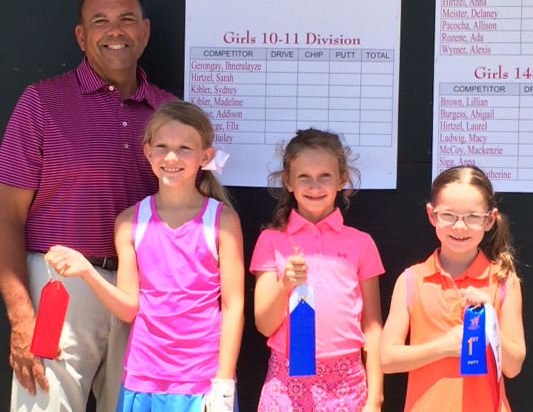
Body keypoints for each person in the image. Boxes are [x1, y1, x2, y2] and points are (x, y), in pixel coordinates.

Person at [0, 0, 175, 412]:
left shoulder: (169, 113)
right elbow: (7, 215)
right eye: (100, 21)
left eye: (126, 19)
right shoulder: (41, 103)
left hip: (145, 293)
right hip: (60, 288)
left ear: (146, 30)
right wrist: (22, 314)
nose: (115, 30)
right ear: (81, 35)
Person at [46, 100, 244, 412]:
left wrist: (223, 380)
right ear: (147, 152)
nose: (171, 157)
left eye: (184, 148)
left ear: (205, 156)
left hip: (202, 382)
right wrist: (86, 271)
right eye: (162, 146)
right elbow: (128, 308)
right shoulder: (129, 222)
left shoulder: (222, 220)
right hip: (141, 380)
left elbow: (233, 306)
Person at [250, 128, 384, 411]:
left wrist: (376, 397)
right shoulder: (271, 241)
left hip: (348, 383)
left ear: (341, 180)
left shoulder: (362, 243)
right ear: (288, 181)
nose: (315, 186)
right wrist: (283, 285)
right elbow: (263, 325)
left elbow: (372, 327)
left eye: (325, 176)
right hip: (286, 382)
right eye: (304, 177)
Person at [380, 166, 526, 412]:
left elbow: (513, 367)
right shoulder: (411, 279)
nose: (460, 227)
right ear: (432, 215)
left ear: (489, 219)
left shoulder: (503, 281)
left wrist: (489, 319)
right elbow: (387, 359)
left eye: (472, 216)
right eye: (448, 215)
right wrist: (444, 347)